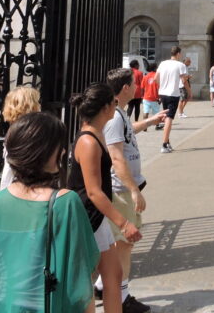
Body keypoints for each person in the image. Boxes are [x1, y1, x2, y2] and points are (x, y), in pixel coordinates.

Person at [0, 111, 98, 313]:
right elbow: (80, 282)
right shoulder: (65, 204)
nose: (62, 152)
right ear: (47, 153)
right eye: (58, 146)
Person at [68, 83, 143, 313]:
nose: (116, 106)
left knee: (113, 274)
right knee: (87, 279)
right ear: (106, 107)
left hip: (96, 215)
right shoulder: (89, 141)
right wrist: (123, 223)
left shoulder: (97, 134)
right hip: (87, 215)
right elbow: (93, 191)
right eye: (114, 102)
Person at [100, 68, 166, 312]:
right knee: (125, 242)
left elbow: (127, 134)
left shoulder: (119, 113)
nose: (138, 87)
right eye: (134, 84)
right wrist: (134, 189)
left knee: (121, 241)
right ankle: (122, 296)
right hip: (120, 189)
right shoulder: (114, 117)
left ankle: (101, 285)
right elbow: (116, 157)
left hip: (123, 188)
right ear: (126, 88)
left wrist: (149, 121)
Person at [0, 85, 41, 189]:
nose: (39, 105)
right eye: (37, 102)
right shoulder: (29, 130)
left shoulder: (14, 129)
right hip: (26, 186)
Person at [156, 47, 187, 152]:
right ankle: (164, 144)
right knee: (169, 118)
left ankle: (167, 142)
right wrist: (186, 82)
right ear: (178, 54)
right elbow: (183, 80)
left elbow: (156, 78)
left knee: (166, 116)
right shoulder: (180, 65)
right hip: (173, 94)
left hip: (163, 93)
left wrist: (162, 86)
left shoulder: (163, 63)